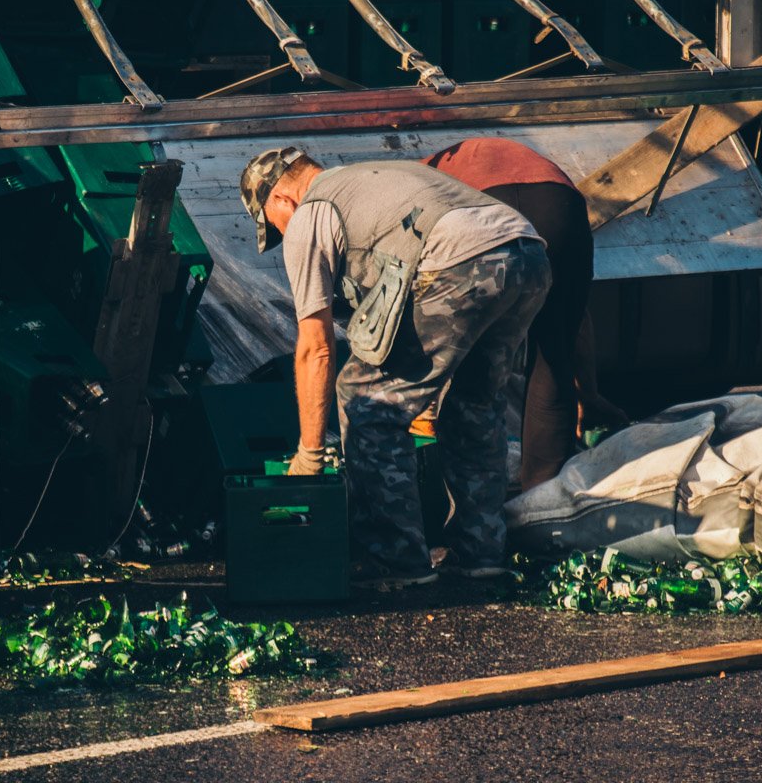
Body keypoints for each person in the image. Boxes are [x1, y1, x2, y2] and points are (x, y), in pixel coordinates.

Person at [239, 147, 551, 587]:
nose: (282, 236)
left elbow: (316, 347)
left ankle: (397, 564)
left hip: (463, 260)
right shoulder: (372, 176)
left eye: (275, 227)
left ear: (282, 201)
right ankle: (482, 557)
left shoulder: (310, 215)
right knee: (474, 405)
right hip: (528, 255)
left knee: (366, 401)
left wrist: (309, 455)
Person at [423, 138, 627, 490]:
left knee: (472, 361)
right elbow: (574, 321)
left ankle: (470, 502)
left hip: (482, 213)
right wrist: (587, 393)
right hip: (558, 203)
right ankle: (541, 503)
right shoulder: (517, 160)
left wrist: (423, 404)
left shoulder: (420, 181)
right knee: (553, 354)